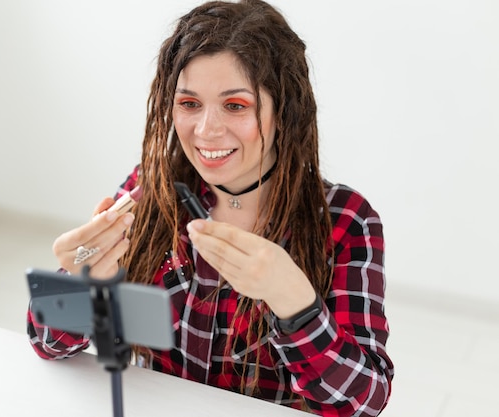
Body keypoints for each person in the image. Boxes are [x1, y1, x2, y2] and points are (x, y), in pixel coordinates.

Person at [27, 0, 394, 415]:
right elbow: (45, 344)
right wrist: (79, 286)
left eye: (236, 106)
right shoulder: (151, 192)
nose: (206, 130)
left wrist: (295, 303)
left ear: (285, 111)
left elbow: (364, 403)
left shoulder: (346, 220)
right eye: (189, 104)